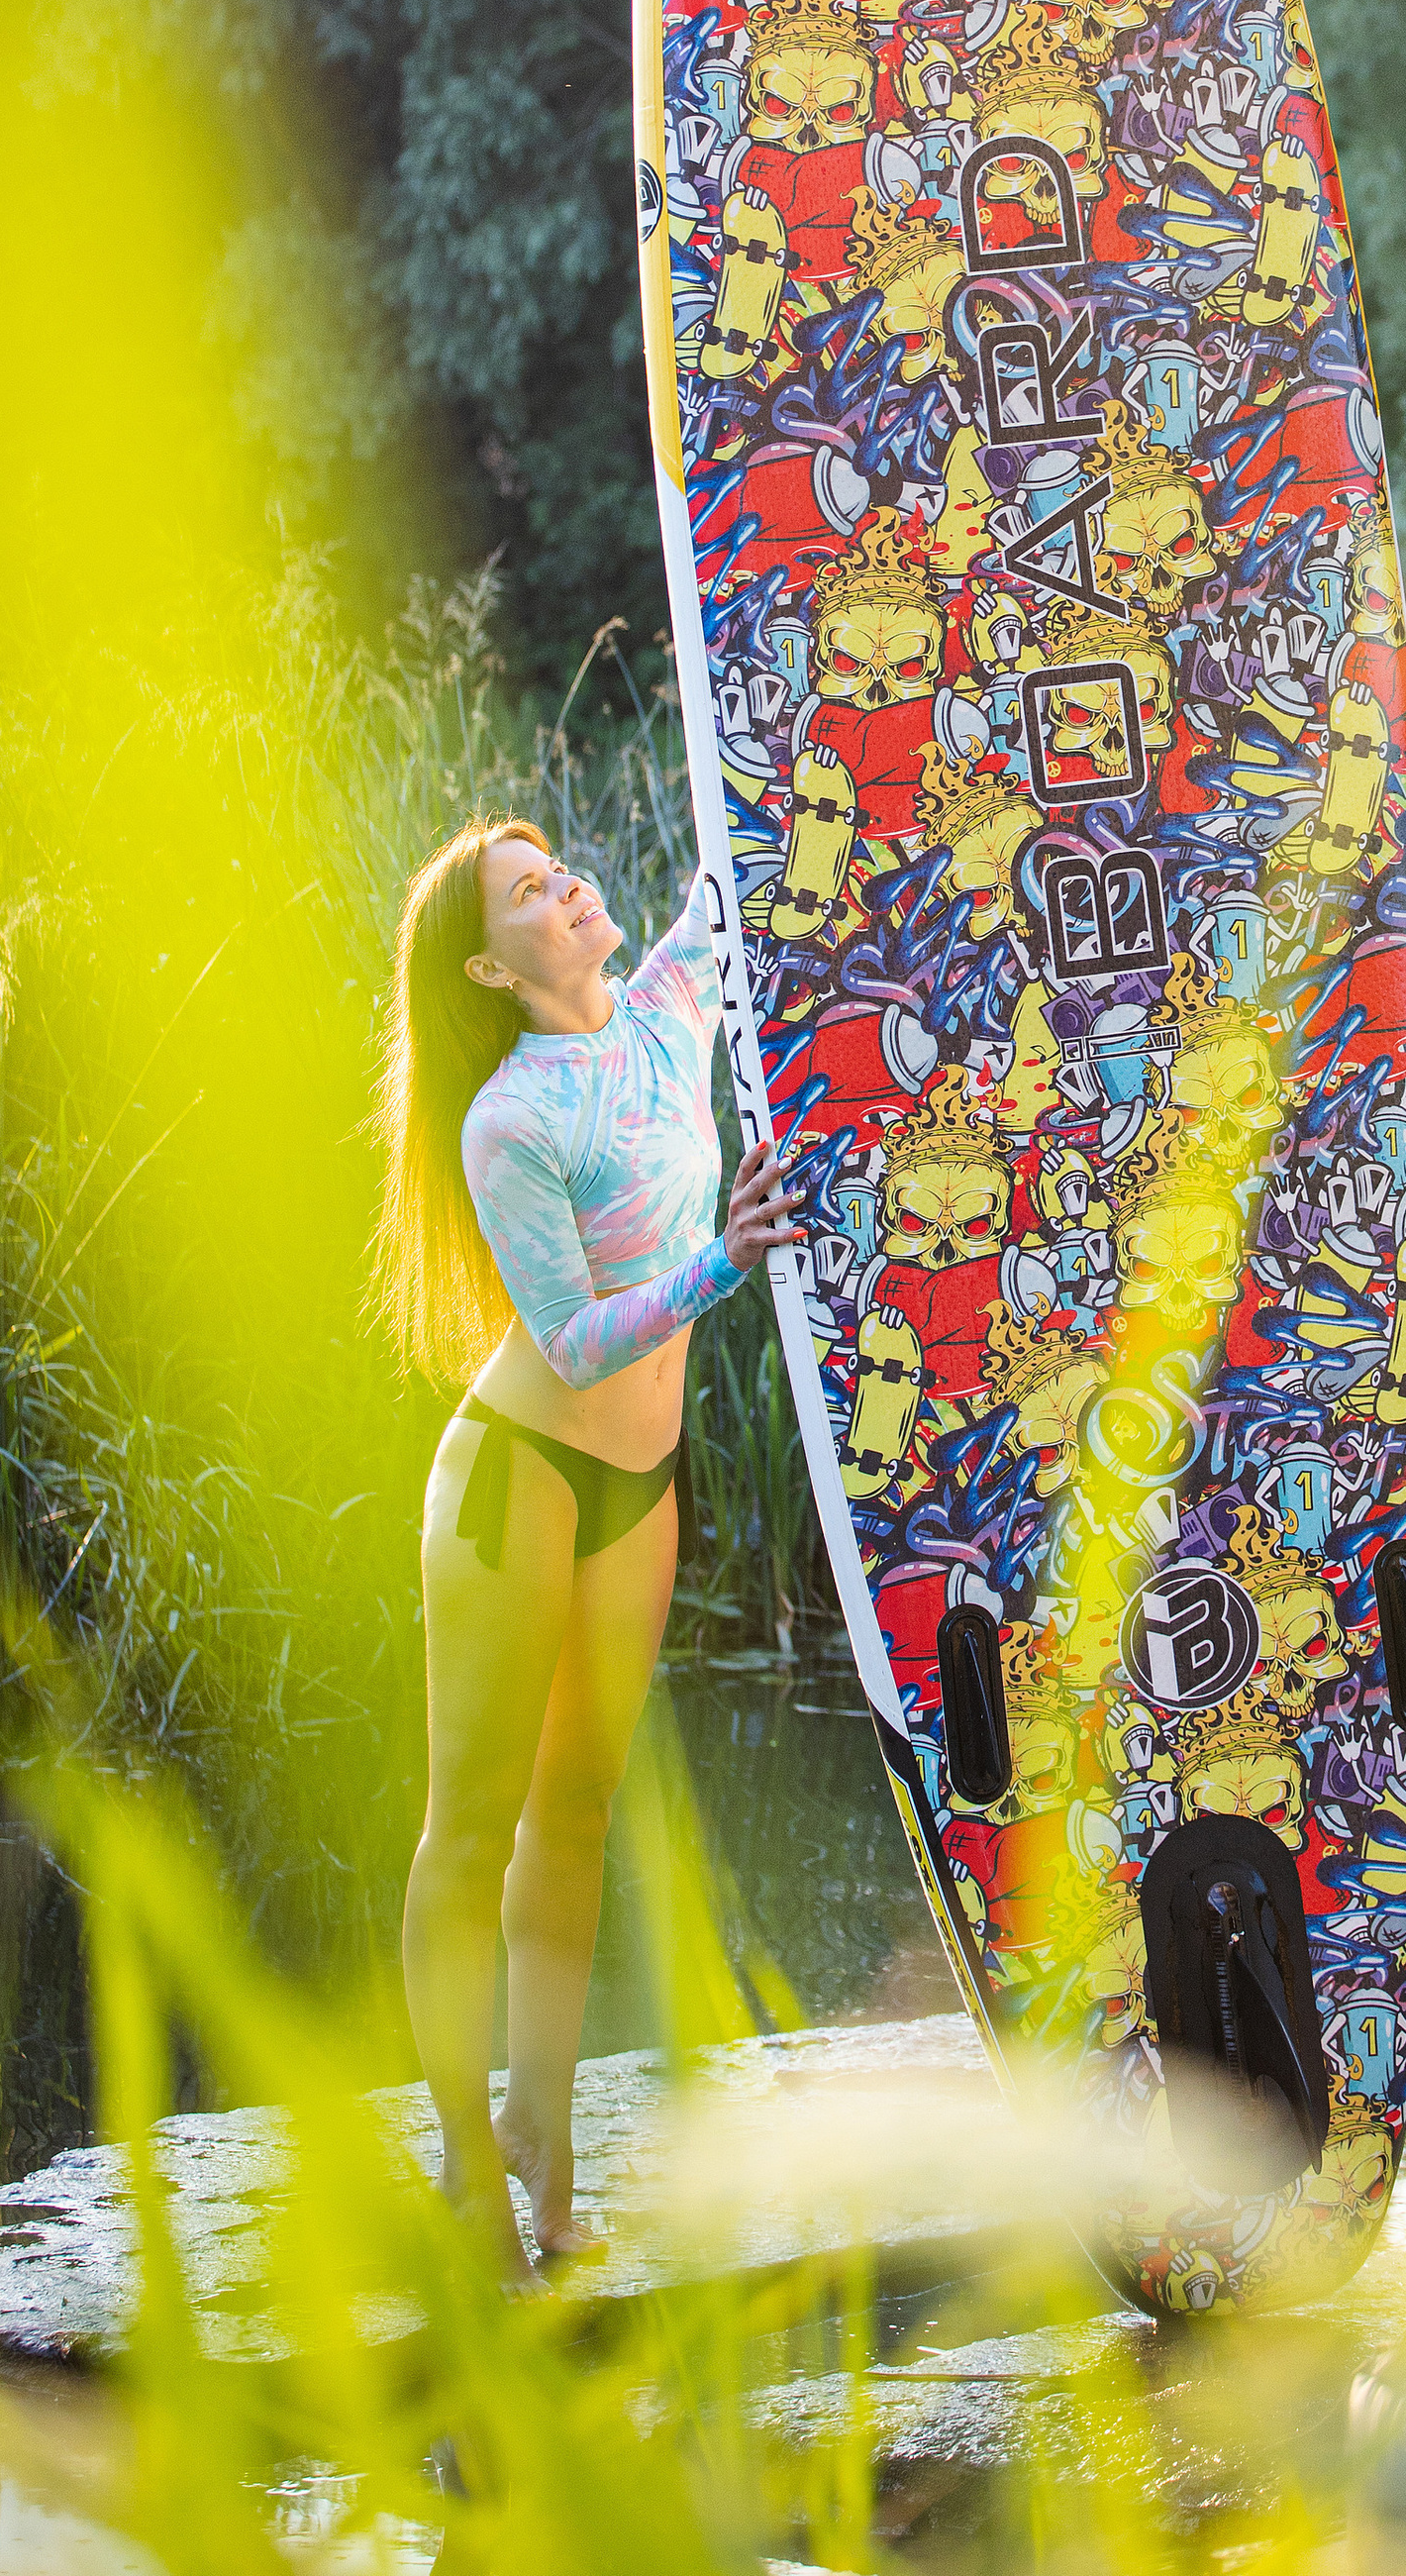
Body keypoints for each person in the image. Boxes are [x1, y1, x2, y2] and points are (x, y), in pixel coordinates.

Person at [369, 817, 799, 2278]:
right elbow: (572, 1336)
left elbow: (728, 887)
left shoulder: (670, 1005)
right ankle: (462, 2167)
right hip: (523, 1475)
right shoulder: (510, 1118)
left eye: (560, 869)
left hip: (642, 1479)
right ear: (493, 963)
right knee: (473, 1822)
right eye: (532, 892)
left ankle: (540, 2154)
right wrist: (724, 1261)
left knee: (579, 1813)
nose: (567, 889)